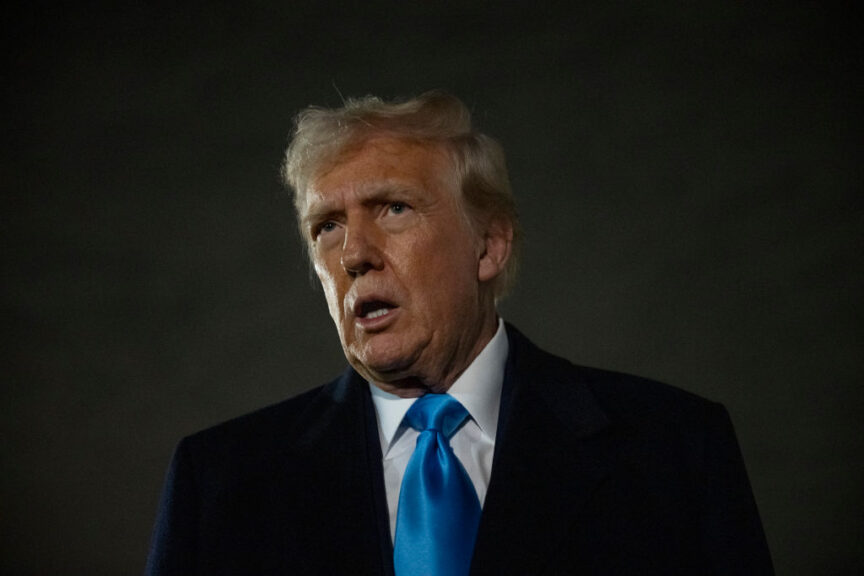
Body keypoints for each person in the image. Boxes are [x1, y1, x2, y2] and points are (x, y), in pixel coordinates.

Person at [145, 91, 773, 575]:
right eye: (326, 226)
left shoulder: (677, 449)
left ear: (489, 245)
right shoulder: (222, 481)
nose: (354, 253)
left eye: (393, 208)